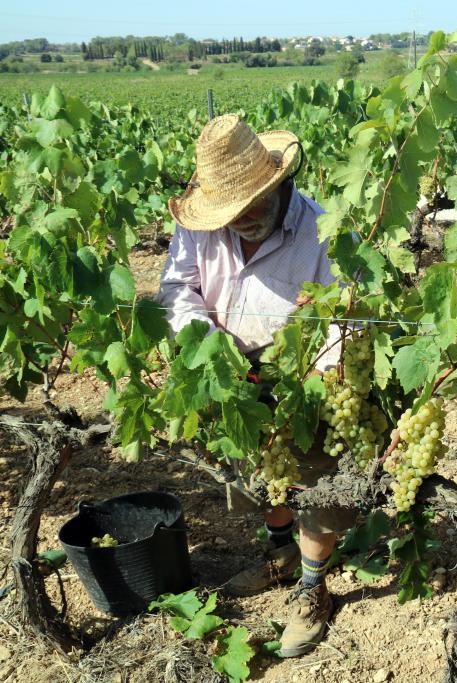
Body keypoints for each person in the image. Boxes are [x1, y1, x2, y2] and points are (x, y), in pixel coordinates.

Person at [158, 113, 350, 658]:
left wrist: (321, 371)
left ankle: (313, 591)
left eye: (251, 204)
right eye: (229, 210)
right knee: (255, 473)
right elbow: (177, 288)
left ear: (278, 182)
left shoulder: (323, 230)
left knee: (314, 482)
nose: (239, 218)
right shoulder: (197, 225)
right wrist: (209, 346)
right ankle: (280, 552)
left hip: (305, 371)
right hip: (226, 363)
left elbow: (352, 313)